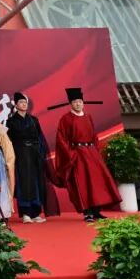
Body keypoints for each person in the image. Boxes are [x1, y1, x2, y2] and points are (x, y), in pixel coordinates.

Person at [53, 87, 121, 222]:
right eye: (75, 102)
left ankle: (96, 211)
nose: (78, 104)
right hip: (78, 154)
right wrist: (71, 154)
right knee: (82, 183)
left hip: (91, 153)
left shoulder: (88, 116)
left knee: (96, 182)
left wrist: (96, 151)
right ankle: (87, 212)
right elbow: (61, 140)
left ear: (83, 103)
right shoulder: (66, 119)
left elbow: (94, 136)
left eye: (80, 101)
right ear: (70, 104)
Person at [7, 92, 60, 224]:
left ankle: (36, 213)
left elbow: (40, 137)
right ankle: (26, 213)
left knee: (37, 181)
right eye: (21, 103)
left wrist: (41, 153)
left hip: (34, 154)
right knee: (24, 182)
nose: (24, 104)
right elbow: (9, 141)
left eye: (25, 102)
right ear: (16, 105)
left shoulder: (34, 120)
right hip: (21, 154)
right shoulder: (11, 122)